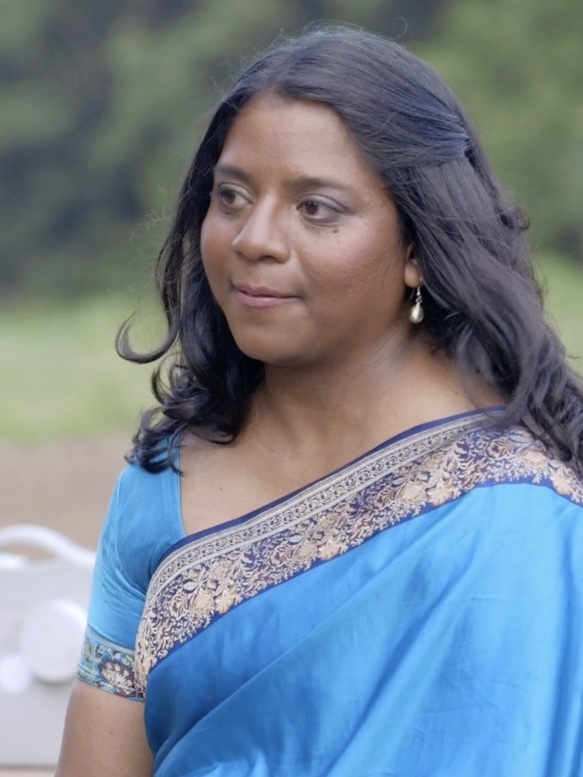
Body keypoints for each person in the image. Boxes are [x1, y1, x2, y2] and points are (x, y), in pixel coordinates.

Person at [56, 24, 583, 777]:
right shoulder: (161, 484)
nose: (255, 238)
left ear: (416, 247)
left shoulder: (519, 509)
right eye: (231, 196)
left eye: (316, 208)